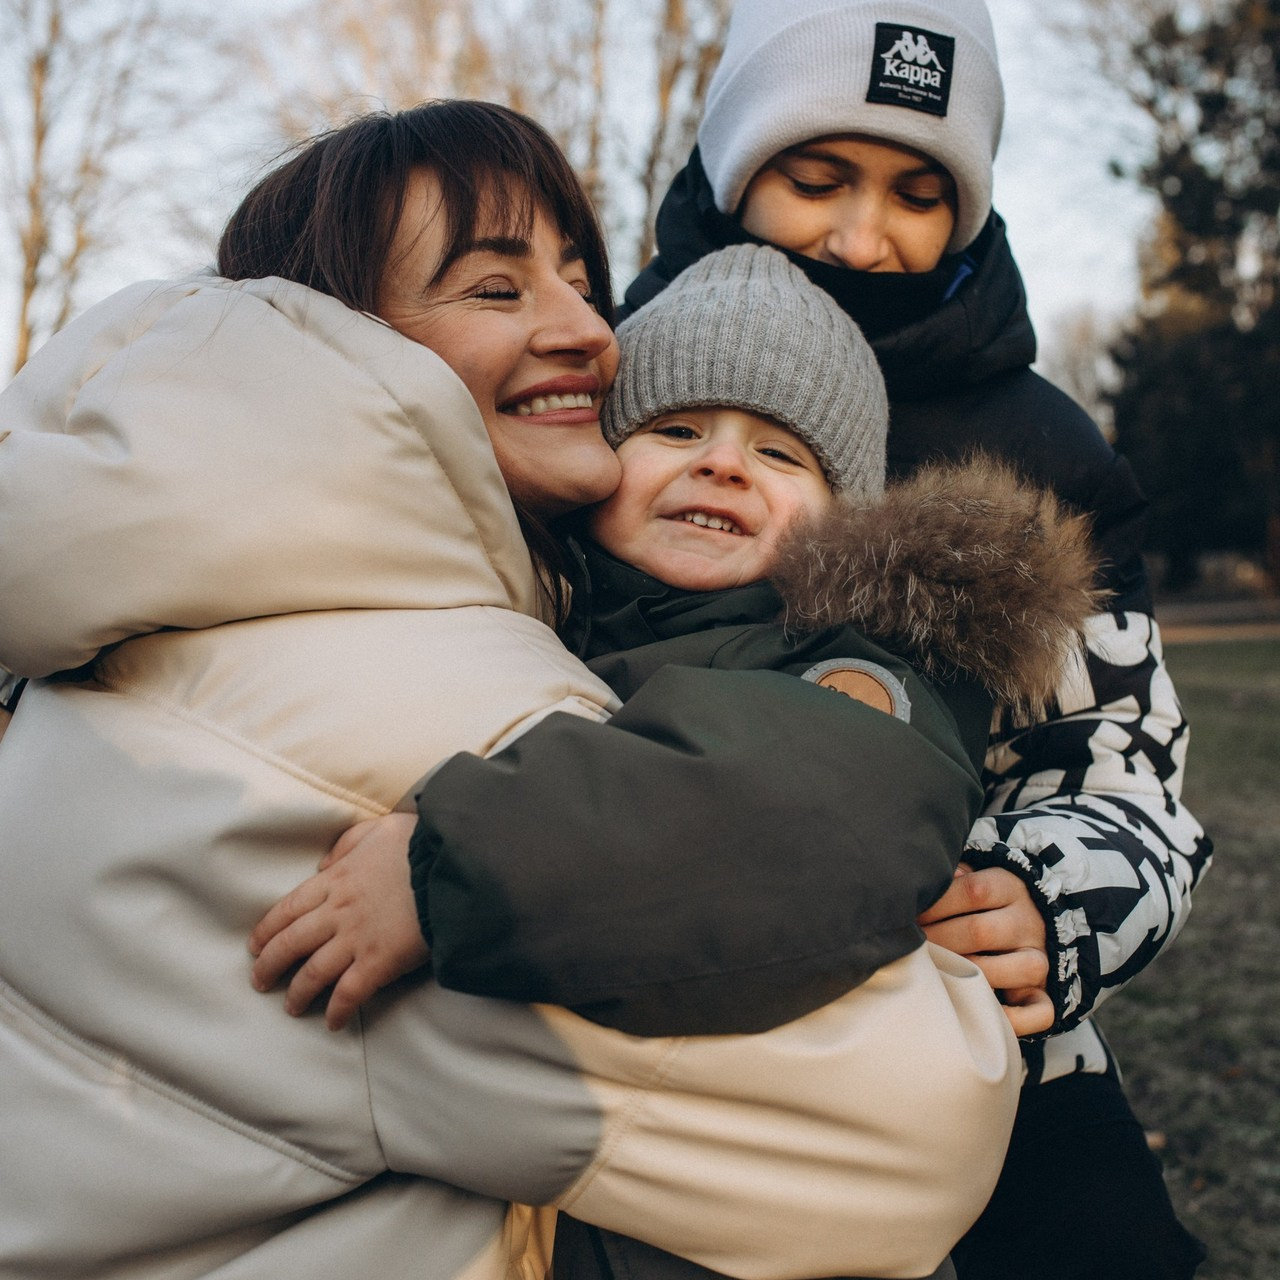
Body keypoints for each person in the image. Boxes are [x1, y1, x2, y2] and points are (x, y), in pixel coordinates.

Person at [0, 100, 1018, 1280]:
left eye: (580, 282)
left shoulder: (197, 603)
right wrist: (454, 855)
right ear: (338, 326)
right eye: (496, 287)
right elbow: (914, 1115)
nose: (588, 329)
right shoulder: (408, 692)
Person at [249, 241, 1107, 1280]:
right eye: (676, 430)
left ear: (846, 523)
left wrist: (445, 865)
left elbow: (785, 807)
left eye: (780, 454)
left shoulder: (857, 668)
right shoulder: (526, 622)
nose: (723, 464)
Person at [612, 1, 1211, 1276]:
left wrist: (1042, 898)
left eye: (917, 193)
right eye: (814, 177)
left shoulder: (1042, 452)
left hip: (966, 1018)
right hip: (626, 977)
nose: (860, 235)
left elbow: (1122, 773)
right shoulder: (613, 373)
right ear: (733, 170)